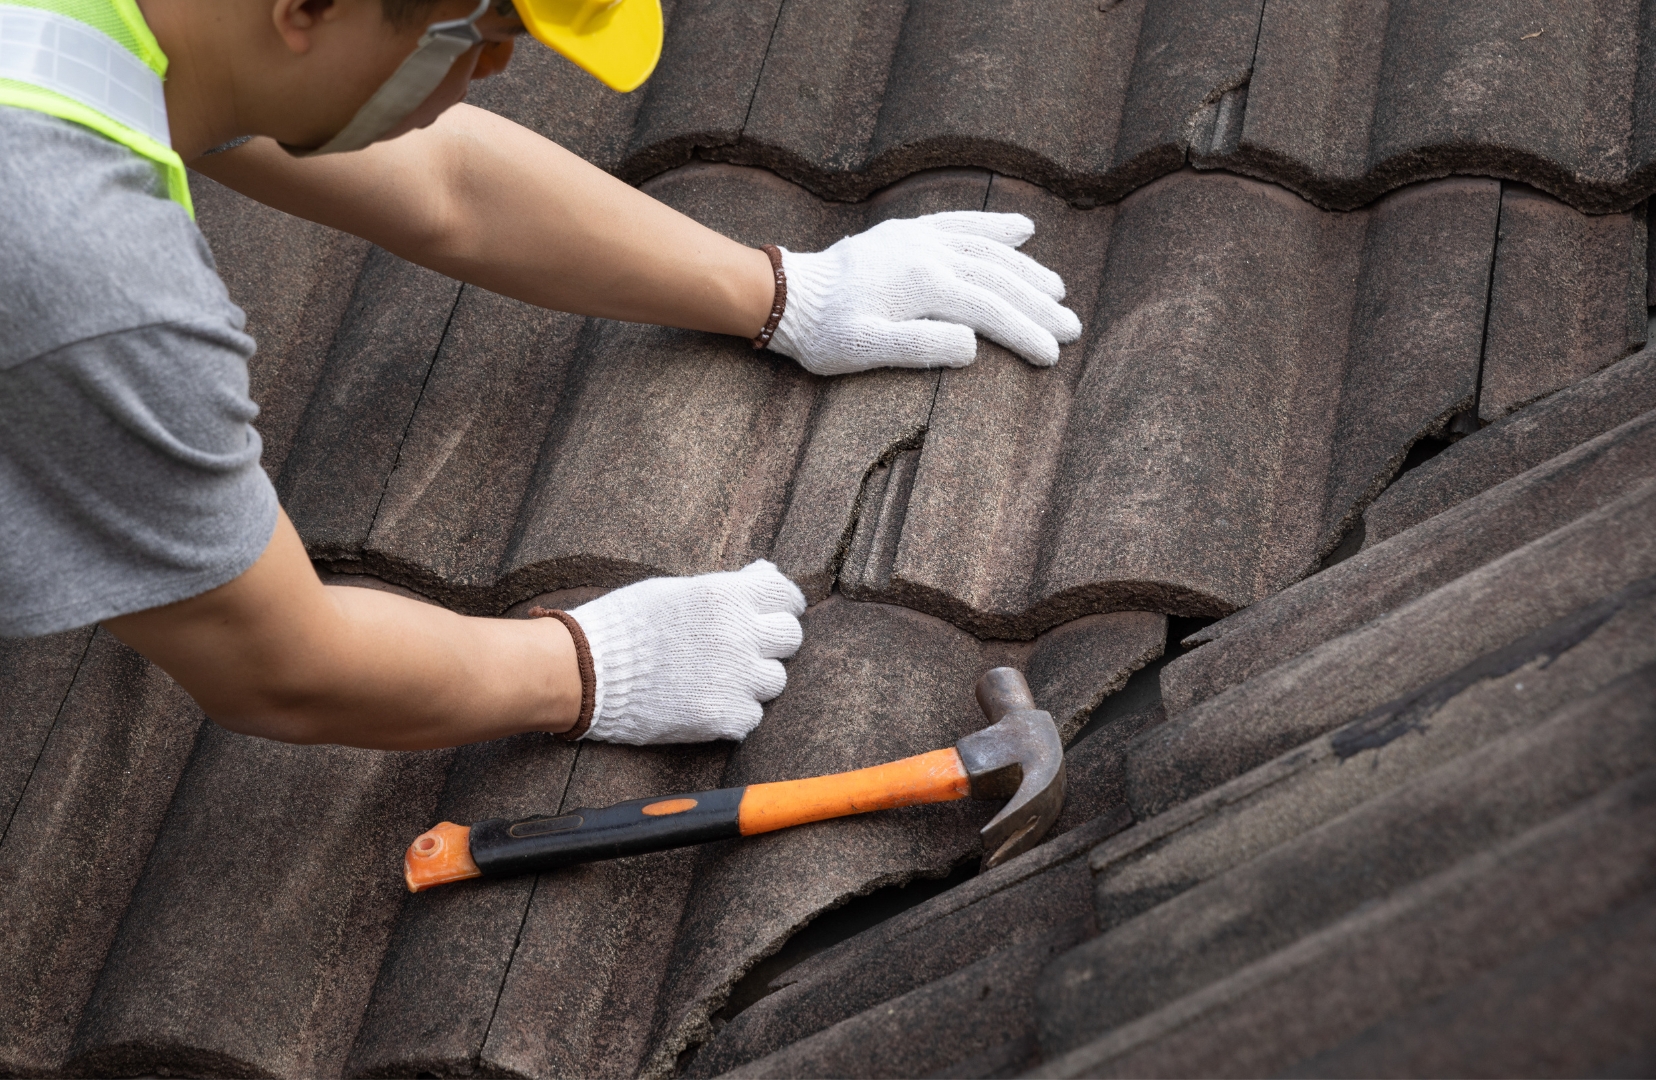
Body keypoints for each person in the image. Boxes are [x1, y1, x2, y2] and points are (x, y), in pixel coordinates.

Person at [0, 0, 1080, 751]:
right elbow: (277, 660)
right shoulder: (91, 276)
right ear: (308, 7)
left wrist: (782, 291)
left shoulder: (135, 32)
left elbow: (444, 181)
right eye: (480, 34)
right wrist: (586, 666)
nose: (490, 75)